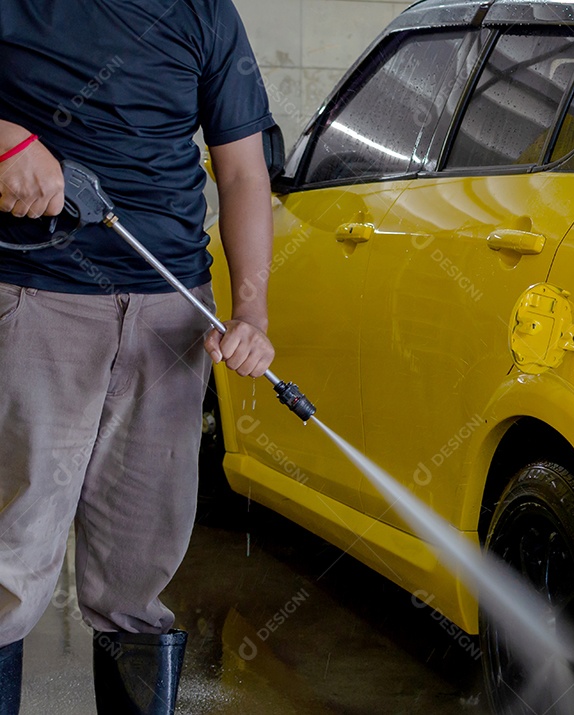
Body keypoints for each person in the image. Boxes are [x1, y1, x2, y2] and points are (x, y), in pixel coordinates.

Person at [0, 1, 277, 712]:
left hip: (171, 313)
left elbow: (243, 174)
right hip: (35, 298)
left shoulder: (204, 11)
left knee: (138, 572)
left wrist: (250, 314)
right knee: (7, 562)